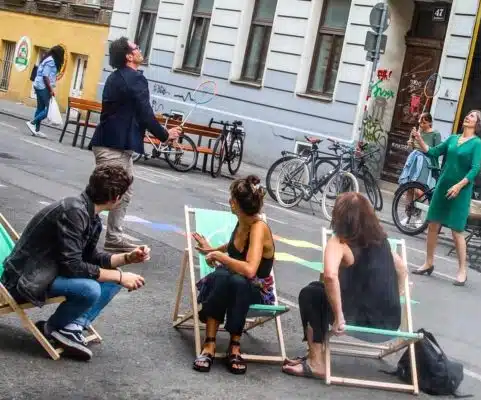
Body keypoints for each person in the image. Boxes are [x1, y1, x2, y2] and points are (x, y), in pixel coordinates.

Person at [0, 165, 149, 361]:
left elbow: (90, 256)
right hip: (24, 280)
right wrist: (120, 277)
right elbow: (73, 265)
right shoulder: (73, 211)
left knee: (112, 276)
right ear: (116, 198)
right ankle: (55, 328)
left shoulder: (87, 213)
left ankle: (72, 326)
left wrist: (128, 258)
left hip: (47, 272)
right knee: (91, 288)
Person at [282, 192, 407, 379]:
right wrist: (398, 293)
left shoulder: (340, 241)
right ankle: (315, 354)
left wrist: (339, 317)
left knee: (310, 294)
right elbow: (402, 269)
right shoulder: (383, 242)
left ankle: (316, 362)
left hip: (357, 322)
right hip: (389, 325)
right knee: (317, 288)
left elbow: (331, 277)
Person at [90, 36, 181, 253]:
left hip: (114, 145)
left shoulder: (117, 77)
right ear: (129, 56)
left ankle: (113, 236)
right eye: (135, 48)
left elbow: (135, 114)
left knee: (124, 191)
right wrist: (165, 134)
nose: (140, 49)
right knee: (105, 194)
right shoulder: (135, 79)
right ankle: (76, 229)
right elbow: (145, 114)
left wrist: (162, 133)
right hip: (113, 147)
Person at [191, 175, 276, 375]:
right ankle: (209, 343)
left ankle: (235, 346)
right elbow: (233, 247)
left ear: (235, 203)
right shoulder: (242, 222)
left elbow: (250, 270)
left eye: (231, 198)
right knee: (222, 276)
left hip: (255, 289)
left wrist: (220, 257)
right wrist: (210, 250)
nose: (230, 202)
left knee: (238, 281)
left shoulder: (258, 228)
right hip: (230, 282)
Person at [411, 110, 481, 285]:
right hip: (444, 185)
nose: (468, 116)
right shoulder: (453, 138)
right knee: (432, 224)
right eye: (468, 114)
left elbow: (475, 169)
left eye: (472, 116)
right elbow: (433, 152)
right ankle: (428, 263)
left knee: (456, 230)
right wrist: (419, 138)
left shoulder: (477, 144)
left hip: (461, 190)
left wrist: (459, 185)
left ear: (478, 124)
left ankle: (462, 271)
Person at [398, 112, 442, 226]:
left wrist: (419, 139)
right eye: (420, 121)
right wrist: (410, 142)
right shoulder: (417, 131)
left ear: (430, 123)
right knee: (409, 189)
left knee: (419, 191)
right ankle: (407, 216)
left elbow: (436, 152)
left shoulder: (435, 134)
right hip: (414, 159)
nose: (421, 124)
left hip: (426, 162)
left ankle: (418, 217)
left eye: (424, 122)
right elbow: (412, 147)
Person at [25, 45, 65, 138]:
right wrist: (51, 90)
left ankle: (36, 130)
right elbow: (45, 76)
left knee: (40, 108)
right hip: (43, 86)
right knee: (48, 109)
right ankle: (32, 123)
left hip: (38, 85)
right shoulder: (51, 61)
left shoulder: (47, 58)